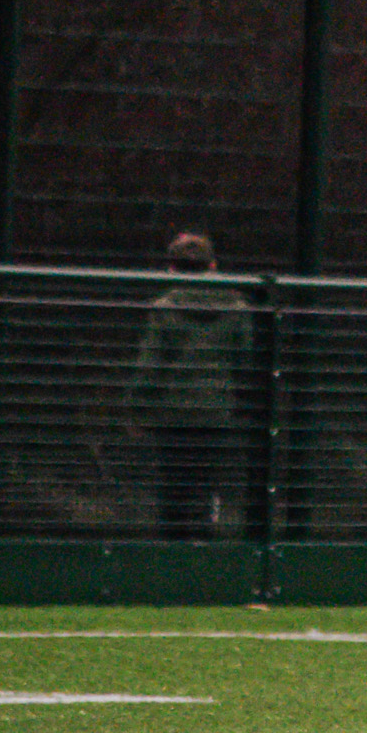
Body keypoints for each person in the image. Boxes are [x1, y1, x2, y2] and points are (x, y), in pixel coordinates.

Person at [125, 230, 255, 539]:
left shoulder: (165, 307)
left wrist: (136, 409)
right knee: (207, 484)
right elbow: (245, 363)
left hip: (173, 415)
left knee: (173, 488)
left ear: (171, 268)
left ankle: (173, 553)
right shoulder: (237, 308)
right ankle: (204, 546)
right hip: (217, 413)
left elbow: (150, 364)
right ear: (212, 266)